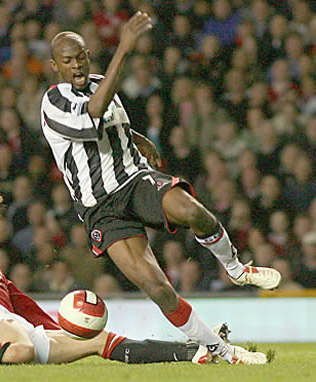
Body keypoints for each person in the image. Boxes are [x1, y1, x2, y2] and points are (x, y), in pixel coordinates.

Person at [40, 11, 281, 364]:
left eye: (80, 57)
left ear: (88, 57)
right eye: (67, 60)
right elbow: (91, 115)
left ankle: (235, 268)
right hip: (101, 207)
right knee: (158, 288)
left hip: (134, 178)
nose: (75, 65)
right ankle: (221, 351)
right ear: (54, 66)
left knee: (193, 211)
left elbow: (108, 116)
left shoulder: (99, 81)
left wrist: (136, 138)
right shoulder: (53, 101)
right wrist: (123, 48)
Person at [0, 182, 266, 367]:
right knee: (20, 350)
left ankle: (193, 352)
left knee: (98, 341)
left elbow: (24, 306)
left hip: (11, 323)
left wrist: (60, 327)